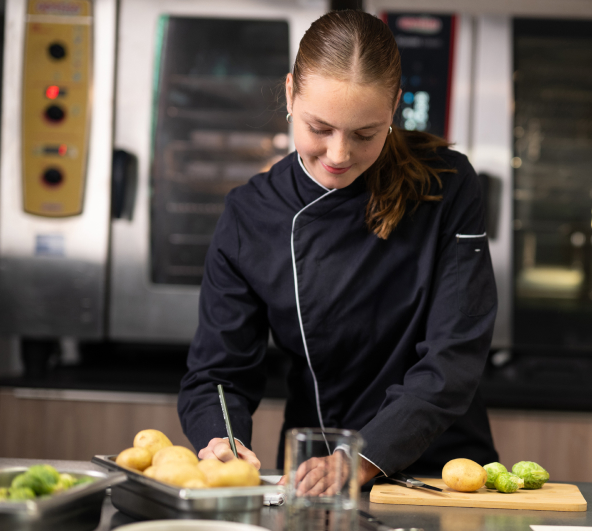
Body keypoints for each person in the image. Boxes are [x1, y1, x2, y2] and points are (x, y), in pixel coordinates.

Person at [177, 10, 498, 488]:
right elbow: (218, 375)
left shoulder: (447, 186)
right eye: (320, 128)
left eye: (365, 133)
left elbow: (452, 358)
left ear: (394, 107)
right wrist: (222, 442)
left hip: (442, 471)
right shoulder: (250, 215)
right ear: (290, 94)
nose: (339, 154)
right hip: (316, 473)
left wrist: (362, 459)